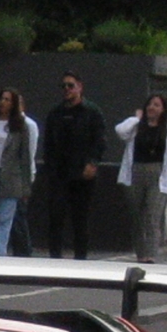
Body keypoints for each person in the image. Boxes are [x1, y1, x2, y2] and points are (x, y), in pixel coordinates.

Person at [36, 71, 109, 258]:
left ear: (80, 87)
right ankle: (55, 258)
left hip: (82, 174)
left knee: (80, 219)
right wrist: (49, 169)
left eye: (71, 85)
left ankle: (80, 259)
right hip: (59, 174)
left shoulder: (92, 112)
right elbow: (49, 144)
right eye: (64, 86)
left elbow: (100, 141)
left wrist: (92, 163)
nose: (67, 89)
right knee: (55, 218)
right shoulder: (55, 113)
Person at [112, 93, 167, 261]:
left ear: (163, 110)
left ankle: (151, 256)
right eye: (150, 104)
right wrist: (136, 119)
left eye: (156, 105)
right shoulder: (136, 127)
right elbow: (119, 131)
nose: (152, 108)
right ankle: (141, 254)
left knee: (153, 216)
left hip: (158, 175)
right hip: (135, 173)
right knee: (137, 216)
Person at [0, 86, 37, 256]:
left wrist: (26, 185)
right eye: (2, 99)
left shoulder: (20, 126)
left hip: (11, 176)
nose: (3, 102)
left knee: (4, 218)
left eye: (8, 99)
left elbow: (25, 157)